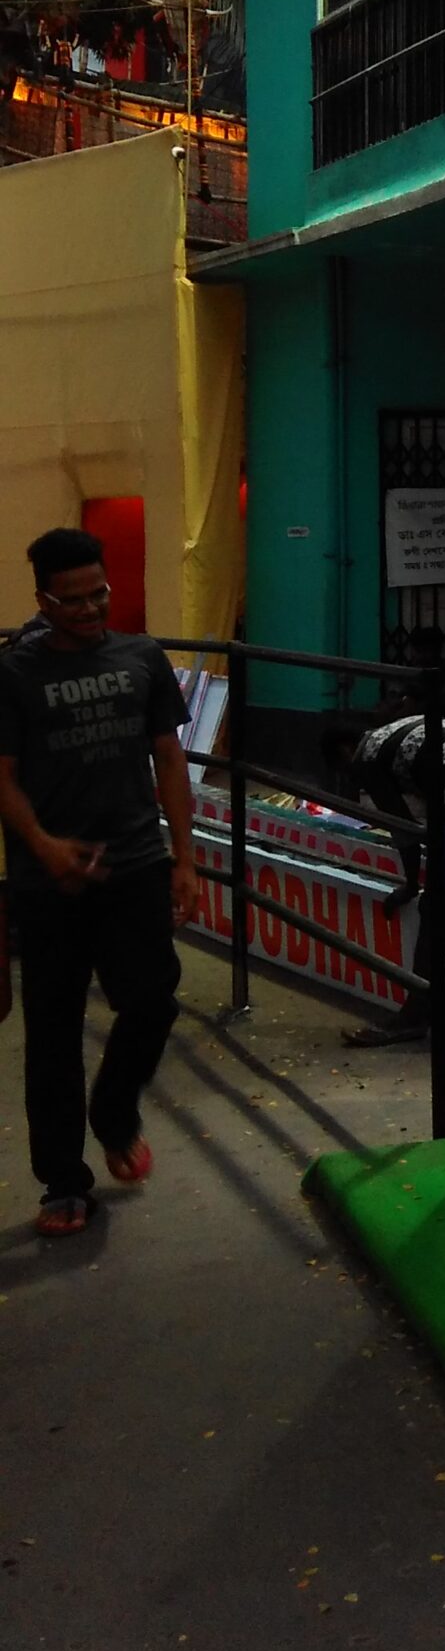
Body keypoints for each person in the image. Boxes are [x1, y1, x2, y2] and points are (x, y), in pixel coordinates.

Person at [0, 529, 196, 1237]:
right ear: (43, 600)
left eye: (99, 594)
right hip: (47, 881)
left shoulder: (142, 658)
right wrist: (45, 846)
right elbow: (2, 777)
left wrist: (184, 858)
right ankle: (64, 1182)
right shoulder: (14, 675)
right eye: (72, 600)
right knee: (52, 1030)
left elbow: (169, 759)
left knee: (152, 1000)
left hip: (135, 863)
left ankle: (114, 1113)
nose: (89, 609)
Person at [321, 689, 445, 1047]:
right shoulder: (395, 734)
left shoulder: (367, 757)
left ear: (344, 752)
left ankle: (415, 1014)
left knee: (434, 905)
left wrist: (410, 884)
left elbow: (402, 827)